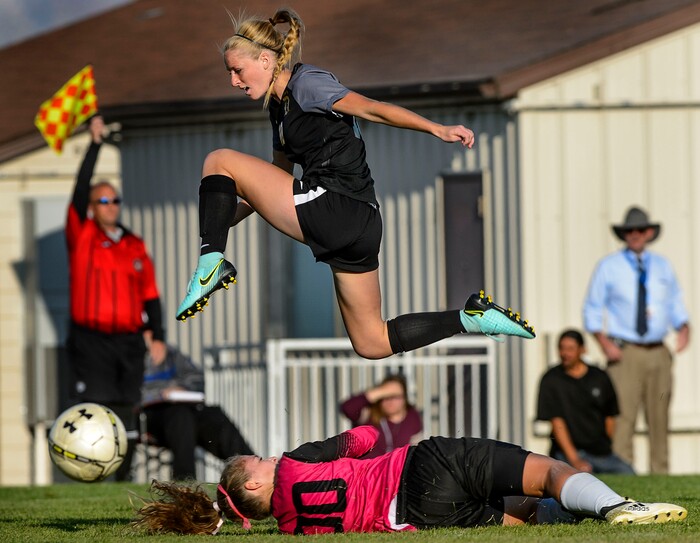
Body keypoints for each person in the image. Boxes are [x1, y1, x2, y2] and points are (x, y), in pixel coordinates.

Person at [174, 7, 536, 358]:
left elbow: (371, 108)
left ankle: (210, 264)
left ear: (266, 61)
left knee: (218, 159)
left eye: (237, 70)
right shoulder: (278, 108)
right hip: (359, 224)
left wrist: (437, 128)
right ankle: (470, 317)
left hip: (337, 206)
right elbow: (278, 176)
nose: (233, 81)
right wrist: (225, 217)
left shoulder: (308, 83)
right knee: (372, 341)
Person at [131, 425, 687, 535]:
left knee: (525, 513)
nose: (261, 458)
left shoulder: (294, 530)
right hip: (419, 467)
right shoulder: (296, 462)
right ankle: (616, 507)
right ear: (252, 487)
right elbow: (367, 438)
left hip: (417, 517)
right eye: (252, 463)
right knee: (546, 473)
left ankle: (587, 516)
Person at [65, 114, 167, 481]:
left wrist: (157, 335)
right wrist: (94, 144)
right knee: (93, 408)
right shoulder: (83, 234)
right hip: (90, 340)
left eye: (114, 200)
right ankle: (88, 477)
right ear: (93, 207)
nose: (110, 205)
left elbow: (151, 295)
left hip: (127, 341)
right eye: (103, 200)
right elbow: (79, 189)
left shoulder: (134, 244)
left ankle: (120, 479)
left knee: (127, 409)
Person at [583, 206, 691, 475]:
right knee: (623, 419)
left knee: (659, 417)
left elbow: (675, 301)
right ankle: (624, 478)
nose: (635, 235)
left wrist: (684, 326)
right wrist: (604, 343)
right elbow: (592, 308)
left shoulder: (662, 265)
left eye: (640, 230)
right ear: (623, 234)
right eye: (630, 230)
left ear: (649, 233)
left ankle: (661, 476)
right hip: (625, 352)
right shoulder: (609, 266)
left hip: (658, 350)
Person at [141, 337, 255, 480]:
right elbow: (128, 393)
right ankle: (185, 481)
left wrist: (181, 388)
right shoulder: (129, 353)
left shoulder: (170, 353)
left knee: (213, 416)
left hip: (184, 408)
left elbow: (196, 377)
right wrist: (160, 394)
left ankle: (252, 470)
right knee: (181, 417)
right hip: (152, 415)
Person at [536, 329, 634, 474]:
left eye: (570, 349)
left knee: (629, 475)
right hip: (566, 454)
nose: (565, 353)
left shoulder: (599, 377)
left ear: (582, 350)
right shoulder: (551, 379)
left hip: (602, 454)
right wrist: (575, 459)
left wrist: (604, 446)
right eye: (561, 348)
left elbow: (610, 416)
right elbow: (557, 423)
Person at [340, 374, 422, 458]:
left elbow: (416, 450)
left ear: (404, 397)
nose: (390, 401)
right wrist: (381, 391)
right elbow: (348, 408)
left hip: (397, 469)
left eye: (395, 396)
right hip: (367, 468)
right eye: (386, 396)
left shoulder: (412, 416)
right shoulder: (370, 413)